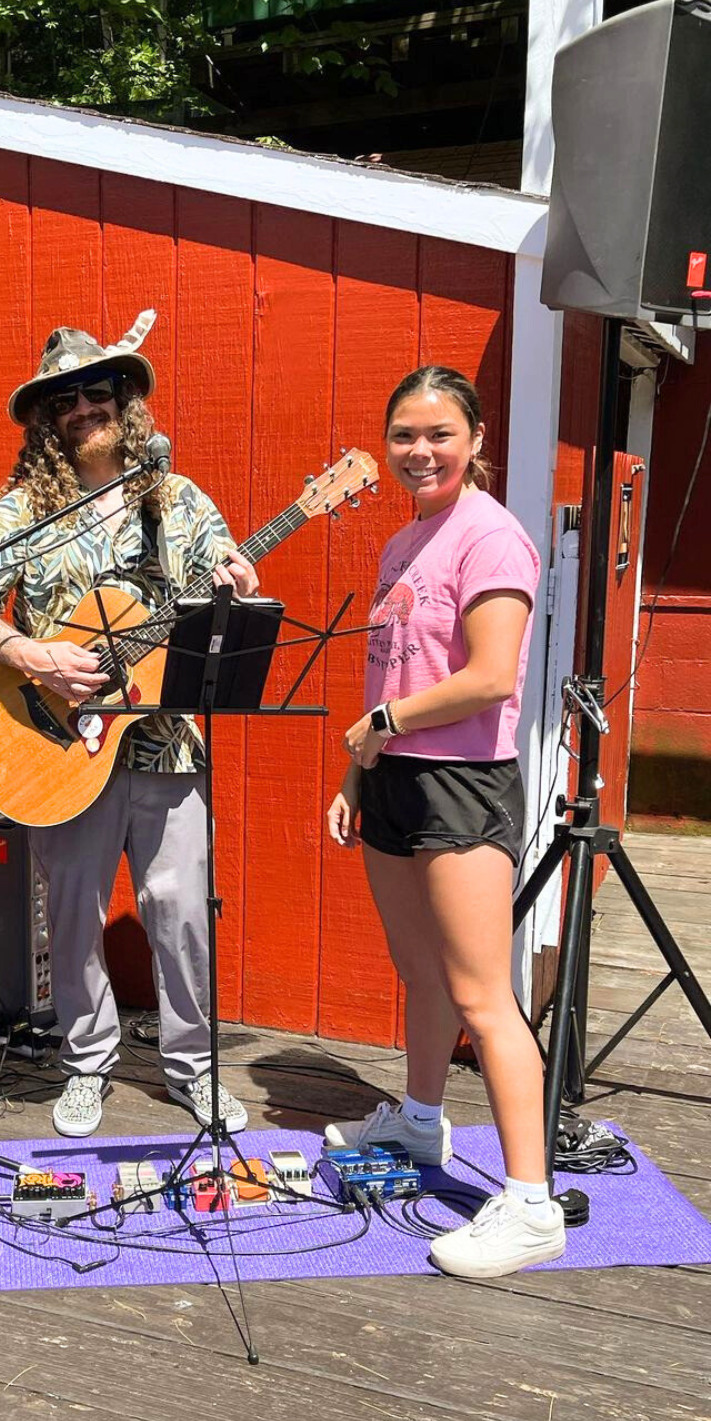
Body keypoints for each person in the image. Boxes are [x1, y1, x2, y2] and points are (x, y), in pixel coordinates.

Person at [0, 317, 258, 1138]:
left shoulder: (174, 499)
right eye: (62, 398)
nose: (82, 406)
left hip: (164, 740)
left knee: (179, 908)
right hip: (56, 749)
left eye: (96, 390)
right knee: (73, 912)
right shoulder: (25, 509)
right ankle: (86, 1062)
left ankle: (193, 1068)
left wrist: (234, 579)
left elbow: (225, 587)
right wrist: (31, 655)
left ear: (125, 398)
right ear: (47, 418)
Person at [324, 365, 566, 1278]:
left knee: (481, 996)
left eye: (439, 435)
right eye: (403, 437)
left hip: (460, 783)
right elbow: (391, 673)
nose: (419, 452)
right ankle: (421, 1123)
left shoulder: (491, 538)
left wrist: (381, 728)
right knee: (419, 974)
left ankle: (532, 1205)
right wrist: (358, 768)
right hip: (392, 780)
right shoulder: (406, 539)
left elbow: (491, 677)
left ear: (474, 441)